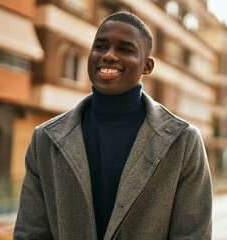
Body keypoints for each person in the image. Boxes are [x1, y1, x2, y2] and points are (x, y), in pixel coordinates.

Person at [14, 11, 212, 240]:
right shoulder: (45, 139)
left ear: (147, 66)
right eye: (100, 46)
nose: (108, 55)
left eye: (124, 49)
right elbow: (30, 234)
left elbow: (193, 235)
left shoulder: (183, 142)